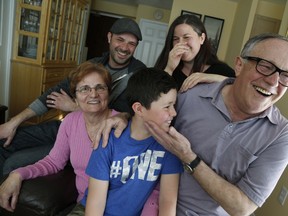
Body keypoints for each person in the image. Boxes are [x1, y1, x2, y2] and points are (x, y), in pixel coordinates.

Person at [94, 33, 288, 215]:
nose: (273, 81)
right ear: (239, 65)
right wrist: (125, 116)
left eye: (286, 75)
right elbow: (152, 109)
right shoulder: (191, 95)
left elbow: (243, 208)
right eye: (265, 66)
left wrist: (189, 158)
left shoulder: (281, 134)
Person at [0, 17, 146, 177]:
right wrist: (14, 122)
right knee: (6, 141)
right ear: (109, 37)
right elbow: (54, 93)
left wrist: (74, 107)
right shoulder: (93, 65)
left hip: (91, 139)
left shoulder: (139, 76)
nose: (125, 48)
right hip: (68, 127)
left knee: (14, 163)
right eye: (120, 40)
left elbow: (128, 117)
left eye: (131, 44)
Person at [0, 62, 119, 213]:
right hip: (84, 204)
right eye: (84, 89)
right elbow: (54, 162)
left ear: (109, 92)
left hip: (117, 206)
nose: (93, 94)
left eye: (100, 87)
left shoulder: (120, 125)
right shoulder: (70, 122)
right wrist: (17, 174)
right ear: (74, 97)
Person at [67, 68, 183, 216]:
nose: (174, 113)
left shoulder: (169, 145)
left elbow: (167, 201)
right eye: (167, 106)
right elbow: (96, 203)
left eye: (174, 105)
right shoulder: (108, 138)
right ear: (139, 109)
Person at [155, 14, 235, 91]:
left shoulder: (221, 69)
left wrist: (212, 77)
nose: (180, 43)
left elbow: (238, 85)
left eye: (186, 37)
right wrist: (169, 69)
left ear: (202, 38)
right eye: (176, 39)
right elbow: (152, 97)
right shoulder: (166, 68)